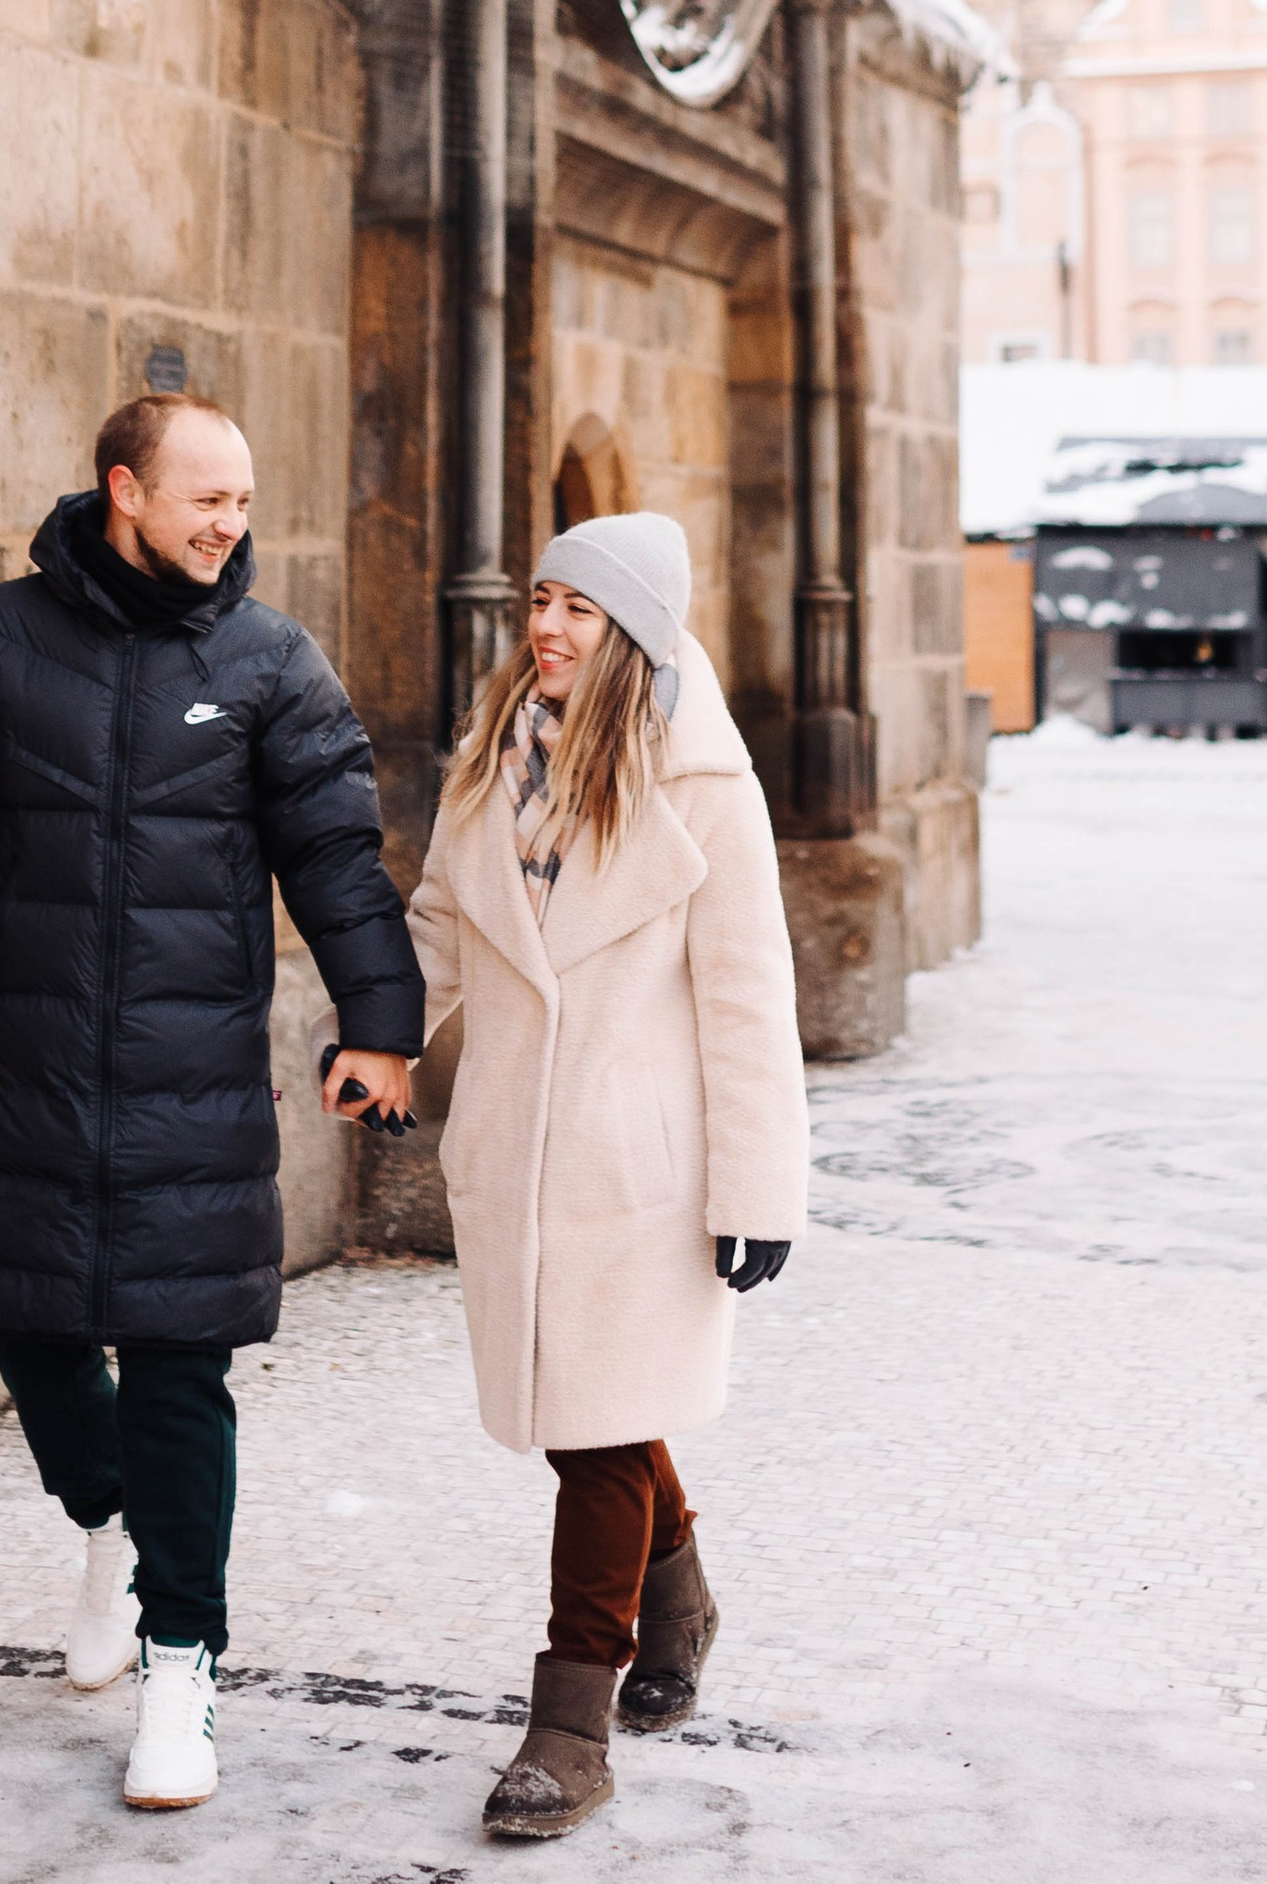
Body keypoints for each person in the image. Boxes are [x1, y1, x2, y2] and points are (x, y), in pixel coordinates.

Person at [0, 394, 423, 1812]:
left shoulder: (269, 659)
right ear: (122, 490)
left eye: (240, 501)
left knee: (178, 1365)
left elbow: (338, 856)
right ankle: (106, 1523)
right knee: (34, 1335)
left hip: (191, 1081)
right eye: (202, 500)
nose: (229, 525)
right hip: (29, 1064)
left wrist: (381, 1027)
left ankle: (183, 1666)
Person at [408, 514, 809, 1843]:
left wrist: (759, 1190)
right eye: (541, 598)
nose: (549, 626)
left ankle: (569, 1730)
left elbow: (749, 994)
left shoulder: (702, 785)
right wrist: (379, 1045)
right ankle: (680, 1593)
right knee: (599, 1409)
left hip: (639, 1167)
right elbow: (440, 926)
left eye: (581, 607)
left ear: (634, 632)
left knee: (591, 1434)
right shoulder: (495, 752)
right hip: (516, 1144)